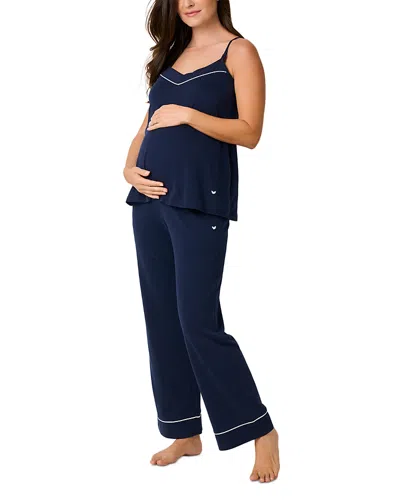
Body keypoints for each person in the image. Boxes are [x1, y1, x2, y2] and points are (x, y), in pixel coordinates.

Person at [123, 0, 280, 483]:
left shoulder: (239, 52)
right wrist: (128, 167)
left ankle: (259, 429)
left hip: (200, 200)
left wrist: (190, 115)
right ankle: (183, 431)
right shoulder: (169, 55)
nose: (188, 2)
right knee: (163, 320)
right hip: (149, 201)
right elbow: (148, 124)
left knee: (198, 322)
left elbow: (250, 132)